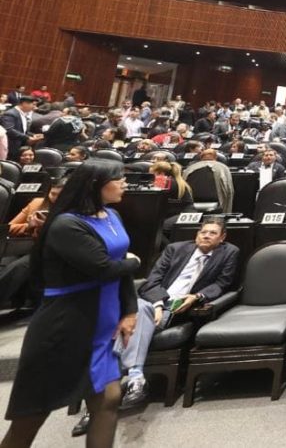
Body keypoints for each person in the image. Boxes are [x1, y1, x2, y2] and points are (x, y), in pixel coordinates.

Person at [2, 160, 140, 448]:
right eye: (118, 178)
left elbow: (120, 264)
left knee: (108, 398)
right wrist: (134, 262)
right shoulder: (66, 224)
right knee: (31, 417)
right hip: (67, 324)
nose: (124, 183)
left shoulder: (111, 215)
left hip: (102, 322)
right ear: (96, 185)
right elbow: (104, 268)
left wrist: (130, 309)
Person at [117, 218, 239, 408]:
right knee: (140, 308)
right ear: (197, 234)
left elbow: (222, 284)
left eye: (212, 233)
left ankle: (105, 391)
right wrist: (157, 304)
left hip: (178, 307)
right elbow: (152, 282)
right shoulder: (175, 249)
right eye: (203, 232)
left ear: (222, 237)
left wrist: (196, 297)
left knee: (127, 325)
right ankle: (135, 377)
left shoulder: (229, 252)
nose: (206, 236)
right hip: (155, 302)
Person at [0, 178, 64, 309]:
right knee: (5, 264)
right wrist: (28, 226)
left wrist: (47, 226)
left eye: (60, 195)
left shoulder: (72, 212)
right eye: (53, 194)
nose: (55, 198)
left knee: (18, 268)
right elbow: (10, 227)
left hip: (48, 251)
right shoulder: (37, 203)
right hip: (24, 246)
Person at [181, 148, 235, 214]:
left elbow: (182, 187)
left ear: (201, 157)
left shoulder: (189, 168)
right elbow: (229, 190)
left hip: (190, 204)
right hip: (219, 204)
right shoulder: (223, 168)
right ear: (216, 157)